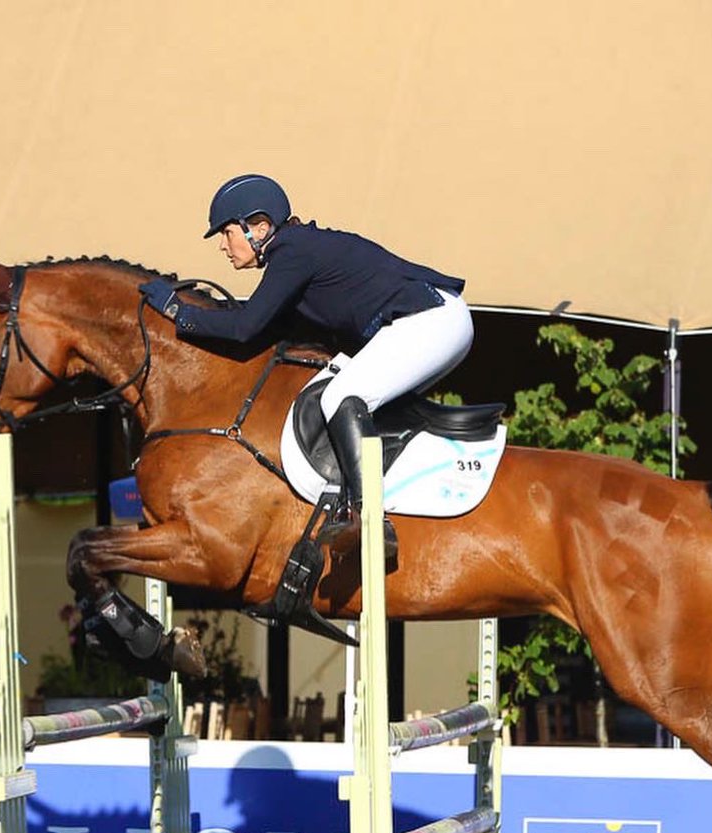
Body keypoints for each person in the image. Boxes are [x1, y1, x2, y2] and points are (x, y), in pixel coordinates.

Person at [139, 174, 473, 556]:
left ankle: (369, 519)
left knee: (342, 395)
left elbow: (246, 327)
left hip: (432, 319)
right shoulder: (294, 253)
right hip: (430, 320)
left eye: (227, 232)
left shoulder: (293, 252)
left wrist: (178, 312)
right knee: (341, 384)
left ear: (260, 227)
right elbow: (258, 325)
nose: (222, 246)